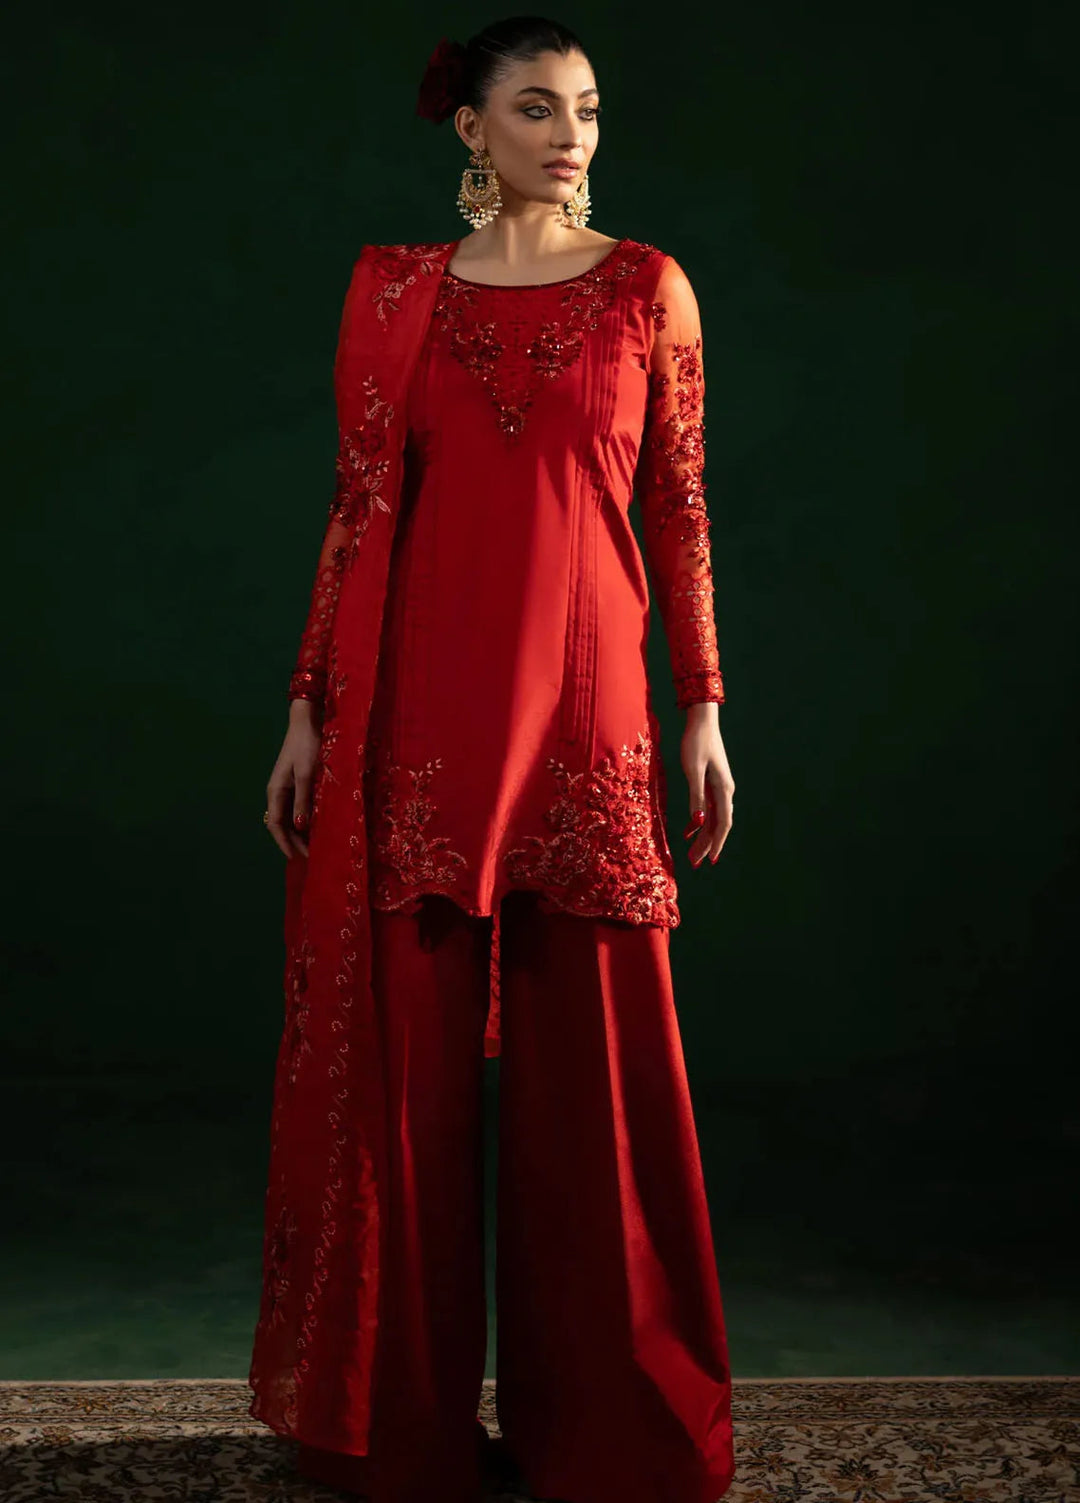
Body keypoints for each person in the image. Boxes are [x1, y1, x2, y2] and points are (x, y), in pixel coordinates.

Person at [248, 17, 737, 1503]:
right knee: (408, 1096)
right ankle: (399, 1429)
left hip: (589, 722)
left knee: (600, 1091)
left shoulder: (648, 289)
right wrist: (307, 706)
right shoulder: (393, 294)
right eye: (535, 108)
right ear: (471, 128)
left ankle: (614, 1432)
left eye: (585, 108)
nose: (569, 134)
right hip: (418, 722)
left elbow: (678, 504)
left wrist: (704, 706)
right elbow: (357, 507)